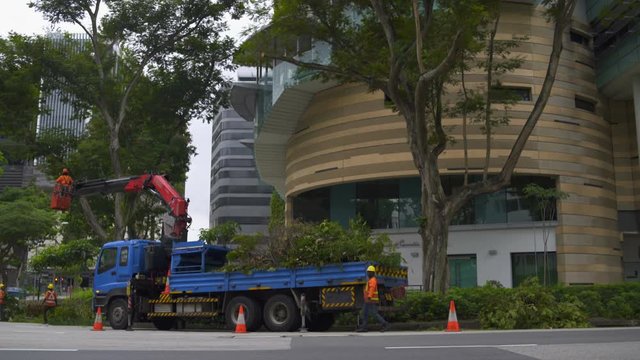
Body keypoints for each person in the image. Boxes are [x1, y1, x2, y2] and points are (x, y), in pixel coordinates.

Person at [356, 265, 389, 332]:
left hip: (371, 300)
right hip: (368, 300)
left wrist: (369, 296)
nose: (368, 273)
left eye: (369, 272)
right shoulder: (370, 280)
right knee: (364, 313)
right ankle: (364, 327)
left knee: (374, 313)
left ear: (373, 273)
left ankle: (385, 324)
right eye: (368, 272)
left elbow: (372, 289)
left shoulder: (373, 280)